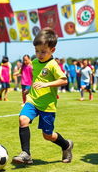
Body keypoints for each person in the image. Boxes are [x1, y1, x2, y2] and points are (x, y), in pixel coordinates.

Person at [12, 28, 73, 164]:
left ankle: (66, 145)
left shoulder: (53, 65)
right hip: (33, 100)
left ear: (53, 50)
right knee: (23, 120)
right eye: (37, 51)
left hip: (47, 105)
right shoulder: (34, 63)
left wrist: (46, 85)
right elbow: (36, 79)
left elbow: (64, 80)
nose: (39, 54)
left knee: (48, 135)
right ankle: (26, 154)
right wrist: (30, 90)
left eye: (43, 51)